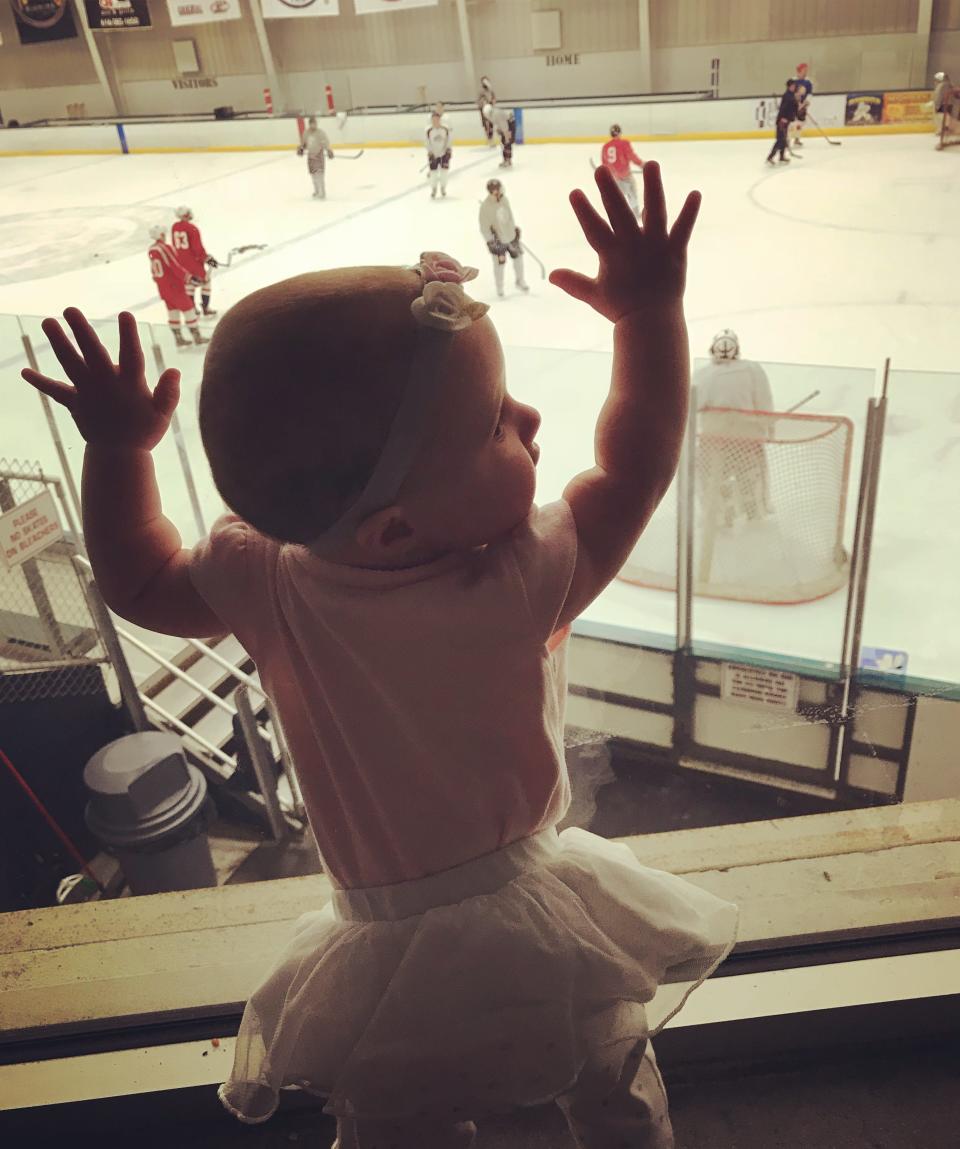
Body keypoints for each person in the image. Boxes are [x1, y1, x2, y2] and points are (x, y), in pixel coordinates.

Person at [21, 163, 736, 1149]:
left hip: (380, 941)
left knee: (397, 1112)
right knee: (608, 1074)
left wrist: (117, 451)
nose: (528, 420)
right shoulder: (520, 578)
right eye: (496, 422)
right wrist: (649, 315)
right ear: (394, 533)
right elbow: (638, 457)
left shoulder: (265, 582)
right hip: (540, 912)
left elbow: (138, 580)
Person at [693, 330, 775, 526]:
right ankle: (752, 513)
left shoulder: (702, 373)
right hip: (745, 437)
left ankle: (721, 513)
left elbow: (693, 405)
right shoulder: (752, 369)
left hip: (713, 437)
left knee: (714, 477)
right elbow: (763, 401)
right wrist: (768, 426)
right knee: (749, 477)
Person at [147, 225, 207, 348]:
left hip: (162, 287)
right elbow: (174, 265)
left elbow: (155, 271)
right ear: (161, 235)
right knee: (189, 309)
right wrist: (189, 277)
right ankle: (197, 337)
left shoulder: (151, 249)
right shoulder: (164, 248)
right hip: (174, 286)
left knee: (172, 311)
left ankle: (178, 338)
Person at [479, 177, 528, 297]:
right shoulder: (485, 207)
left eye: (499, 189)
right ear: (491, 191)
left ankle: (520, 280)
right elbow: (484, 227)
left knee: (518, 259)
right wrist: (490, 241)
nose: (499, 191)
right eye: (496, 190)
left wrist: (514, 230)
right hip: (497, 240)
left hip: (511, 236)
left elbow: (509, 217)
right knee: (499, 264)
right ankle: (499, 287)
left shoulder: (504, 200)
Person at [171, 205, 218, 318]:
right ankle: (205, 308)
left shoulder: (175, 227)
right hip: (193, 262)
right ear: (186, 214)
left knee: (189, 284)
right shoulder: (192, 228)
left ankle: (192, 309)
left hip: (181, 262)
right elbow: (197, 249)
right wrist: (208, 259)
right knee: (206, 282)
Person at [600, 124, 644, 216]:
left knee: (618, 196)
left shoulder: (605, 147)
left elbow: (604, 163)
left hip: (615, 177)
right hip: (625, 175)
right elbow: (631, 156)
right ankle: (635, 214)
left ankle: (617, 215)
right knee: (632, 193)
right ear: (619, 133)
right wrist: (641, 164)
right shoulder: (624, 143)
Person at [298, 115, 335, 199]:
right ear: (310, 124)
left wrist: (329, 150)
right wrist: (301, 149)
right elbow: (303, 143)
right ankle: (317, 190)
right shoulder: (306, 133)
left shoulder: (320, 133)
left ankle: (322, 192)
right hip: (310, 156)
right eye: (312, 123)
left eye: (315, 123)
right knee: (313, 176)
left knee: (320, 175)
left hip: (319, 156)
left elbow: (325, 143)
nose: (314, 125)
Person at [766, 79, 798, 165]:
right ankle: (770, 157)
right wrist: (783, 118)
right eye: (793, 86)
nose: (794, 87)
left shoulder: (791, 95)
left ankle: (781, 157)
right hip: (782, 121)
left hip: (786, 120)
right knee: (780, 139)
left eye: (795, 86)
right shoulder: (787, 96)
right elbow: (783, 108)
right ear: (789, 86)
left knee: (784, 139)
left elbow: (793, 108)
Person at [425, 111, 452, 199]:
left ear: (440, 119)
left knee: (444, 172)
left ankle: (443, 188)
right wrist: (430, 153)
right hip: (433, 154)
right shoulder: (428, 130)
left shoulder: (445, 129)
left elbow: (449, 140)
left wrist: (448, 150)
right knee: (433, 173)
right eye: (433, 119)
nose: (435, 121)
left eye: (437, 119)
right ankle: (434, 188)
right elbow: (427, 143)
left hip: (444, 154)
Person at [483, 98, 515, 167]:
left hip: (509, 124)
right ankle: (505, 159)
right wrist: (498, 129)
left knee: (507, 142)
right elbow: (498, 123)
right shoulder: (492, 114)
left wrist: (506, 136)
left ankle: (508, 161)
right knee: (504, 142)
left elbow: (505, 126)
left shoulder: (497, 114)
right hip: (505, 124)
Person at [790, 62, 813, 149]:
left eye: (806, 70)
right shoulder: (793, 80)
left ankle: (797, 139)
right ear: (799, 70)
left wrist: (806, 103)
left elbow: (810, 94)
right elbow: (790, 93)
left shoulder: (808, 82)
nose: (806, 71)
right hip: (793, 105)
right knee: (791, 123)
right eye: (804, 70)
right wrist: (795, 102)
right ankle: (787, 140)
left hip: (802, 106)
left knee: (800, 123)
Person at [477, 75, 495, 144]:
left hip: (490, 109)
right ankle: (489, 138)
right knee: (486, 124)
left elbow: (494, 99)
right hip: (483, 109)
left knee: (491, 124)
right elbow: (478, 101)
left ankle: (491, 138)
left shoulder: (491, 91)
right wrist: (482, 103)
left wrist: (492, 103)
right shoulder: (481, 92)